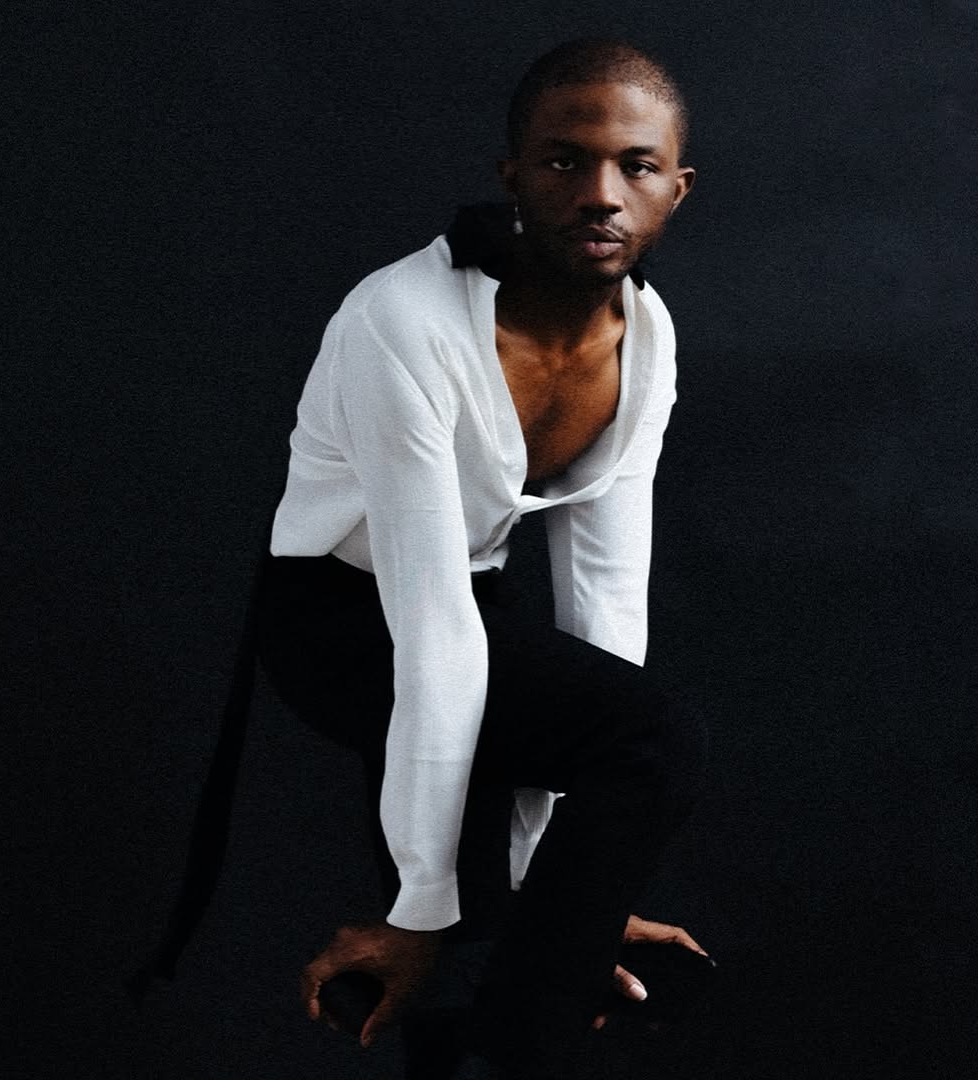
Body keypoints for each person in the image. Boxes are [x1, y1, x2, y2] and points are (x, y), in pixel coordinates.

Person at [257, 38, 709, 1079]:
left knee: (489, 945)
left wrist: (576, 892)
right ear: (512, 177)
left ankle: (492, 1013)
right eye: (563, 161)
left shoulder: (647, 335)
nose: (600, 193)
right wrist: (419, 906)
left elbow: (604, 596)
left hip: (470, 605)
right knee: (648, 747)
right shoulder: (400, 323)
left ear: (676, 189)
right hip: (341, 617)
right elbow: (427, 626)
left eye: (635, 166)